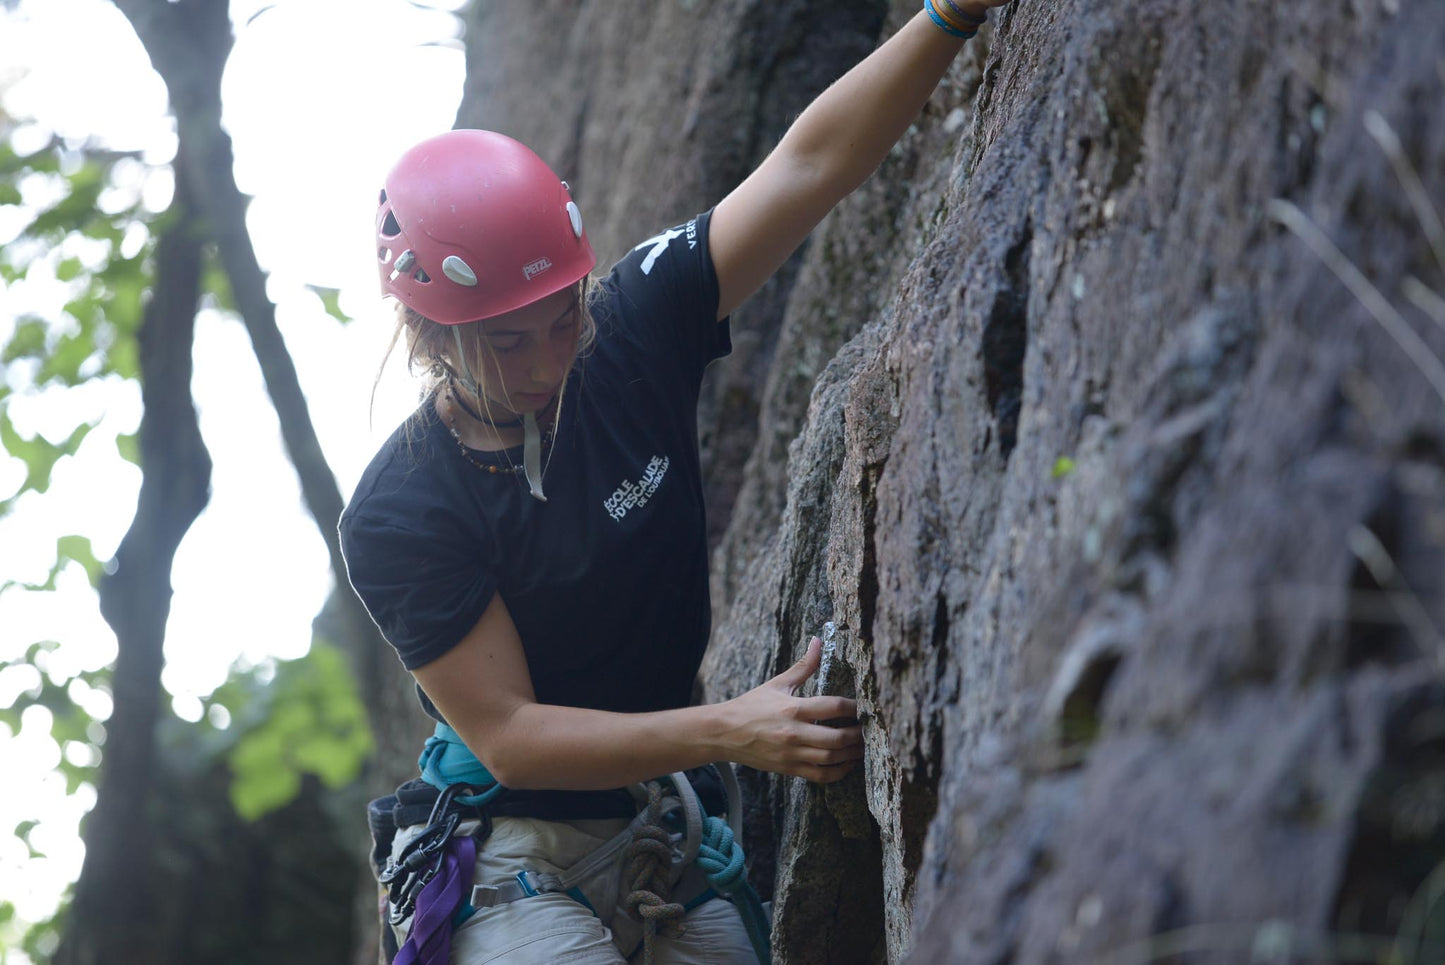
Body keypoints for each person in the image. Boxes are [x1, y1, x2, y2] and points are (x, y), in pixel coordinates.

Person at [340, 2, 1011, 962]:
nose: (544, 362)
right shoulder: (403, 508)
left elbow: (805, 166)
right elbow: (514, 735)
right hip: (511, 842)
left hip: (658, 825)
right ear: (431, 334)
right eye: (504, 341)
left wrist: (949, 16)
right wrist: (728, 731)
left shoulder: (628, 329)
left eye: (559, 318)